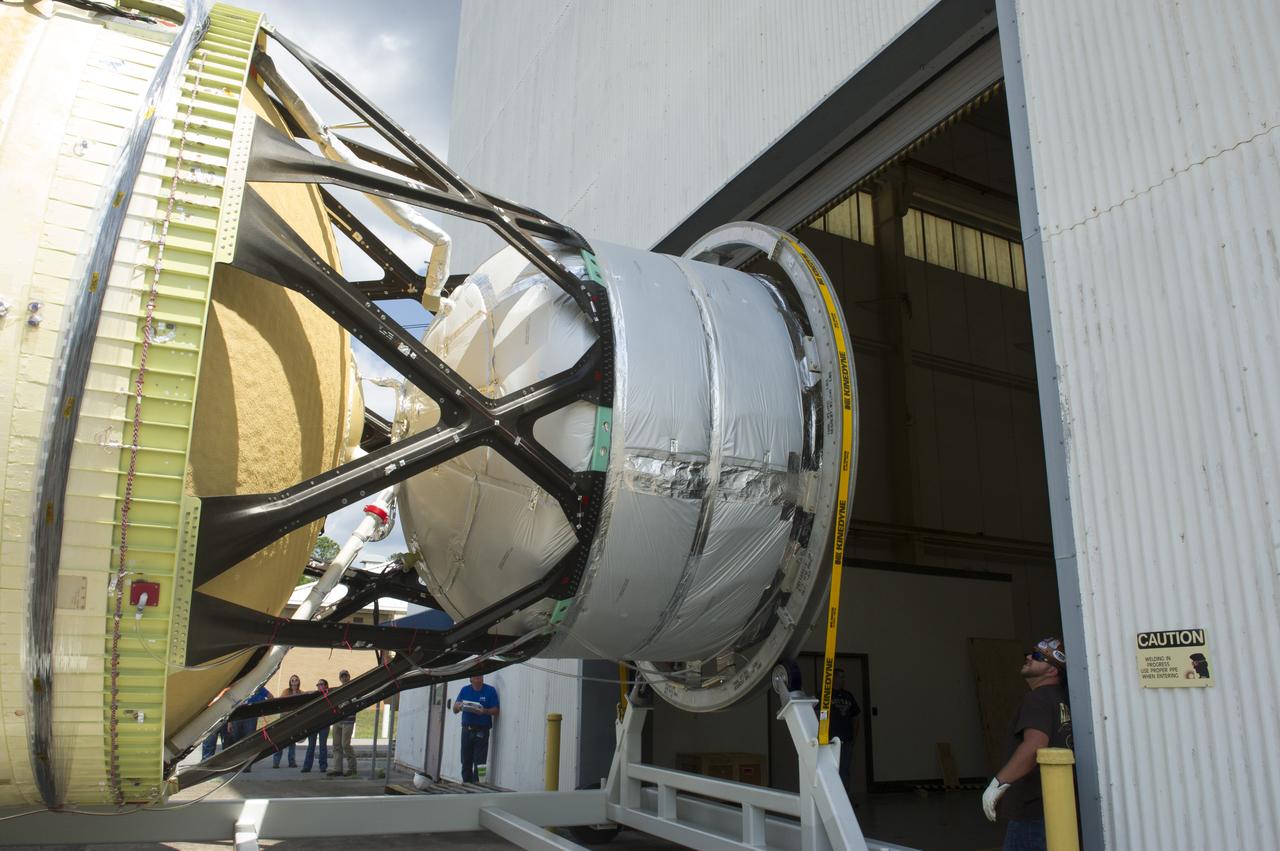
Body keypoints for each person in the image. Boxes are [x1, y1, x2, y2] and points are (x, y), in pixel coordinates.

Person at [982, 637, 1073, 851]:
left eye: (1038, 656)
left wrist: (997, 784)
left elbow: (1034, 746)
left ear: (1052, 671)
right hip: (1058, 810)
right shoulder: (1063, 699)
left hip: (1031, 811)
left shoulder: (1038, 699)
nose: (1029, 657)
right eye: (1030, 652)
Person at [453, 673, 499, 783]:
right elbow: (455, 709)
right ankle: (466, 784)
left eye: (481, 675)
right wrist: (459, 706)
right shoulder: (465, 690)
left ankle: (477, 786)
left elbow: (496, 710)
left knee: (480, 762)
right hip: (466, 730)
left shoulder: (490, 690)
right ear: (471, 679)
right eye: (476, 676)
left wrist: (485, 711)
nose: (479, 677)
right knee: (466, 760)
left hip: (482, 731)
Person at [828, 668, 861, 796]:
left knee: (845, 771)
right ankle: (832, 799)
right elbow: (817, 715)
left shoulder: (848, 695)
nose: (843, 680)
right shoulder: (825, 694)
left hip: (847, 740)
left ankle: (845, 799)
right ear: (834, 678)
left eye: (844, 677)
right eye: (840, 677)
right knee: (831, 770)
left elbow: (856, 718)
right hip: (830, 741)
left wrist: (854, 738)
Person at [231, 684, 272, 772]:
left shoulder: (258, 687)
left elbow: (270, 697)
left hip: (250, 716)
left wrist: (260, 706)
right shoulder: (238, 688)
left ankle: (247, 765)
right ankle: (237, 765)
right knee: (236, 741)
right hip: (237, 715)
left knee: (249, 740)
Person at [328, 669, 358, 777]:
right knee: (336, 745)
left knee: (345, 744)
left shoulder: (354, 689)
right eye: (342, 676)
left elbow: (356, 702)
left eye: (346, 676)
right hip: (337, 720)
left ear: (349, 677)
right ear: (339, 678)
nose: (344, 678)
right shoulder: (337, 690)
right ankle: (337, 769)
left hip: (348, 719)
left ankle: (352, 768)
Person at [272, 674, 303, 768]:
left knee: (292, 742)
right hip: (284, 719)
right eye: (292, 680)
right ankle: (276, 763)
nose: (294, 682)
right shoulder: (286, 692)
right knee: (280, 741)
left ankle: (292, 762)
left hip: (294, 720)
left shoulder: (301, 693)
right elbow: (280, 703)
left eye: (296, 680)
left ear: (298, 682)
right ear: (290, 682)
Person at [301, 678, 330, 774]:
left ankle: (323, 766)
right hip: (313, 724)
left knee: (322, 745)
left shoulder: (329, 695)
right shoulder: (314, 696)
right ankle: (307, 766)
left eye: (321, 684)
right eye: (318, 685)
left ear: (326, 686)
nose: (319, 686)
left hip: (324, 723)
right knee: (311, 746)